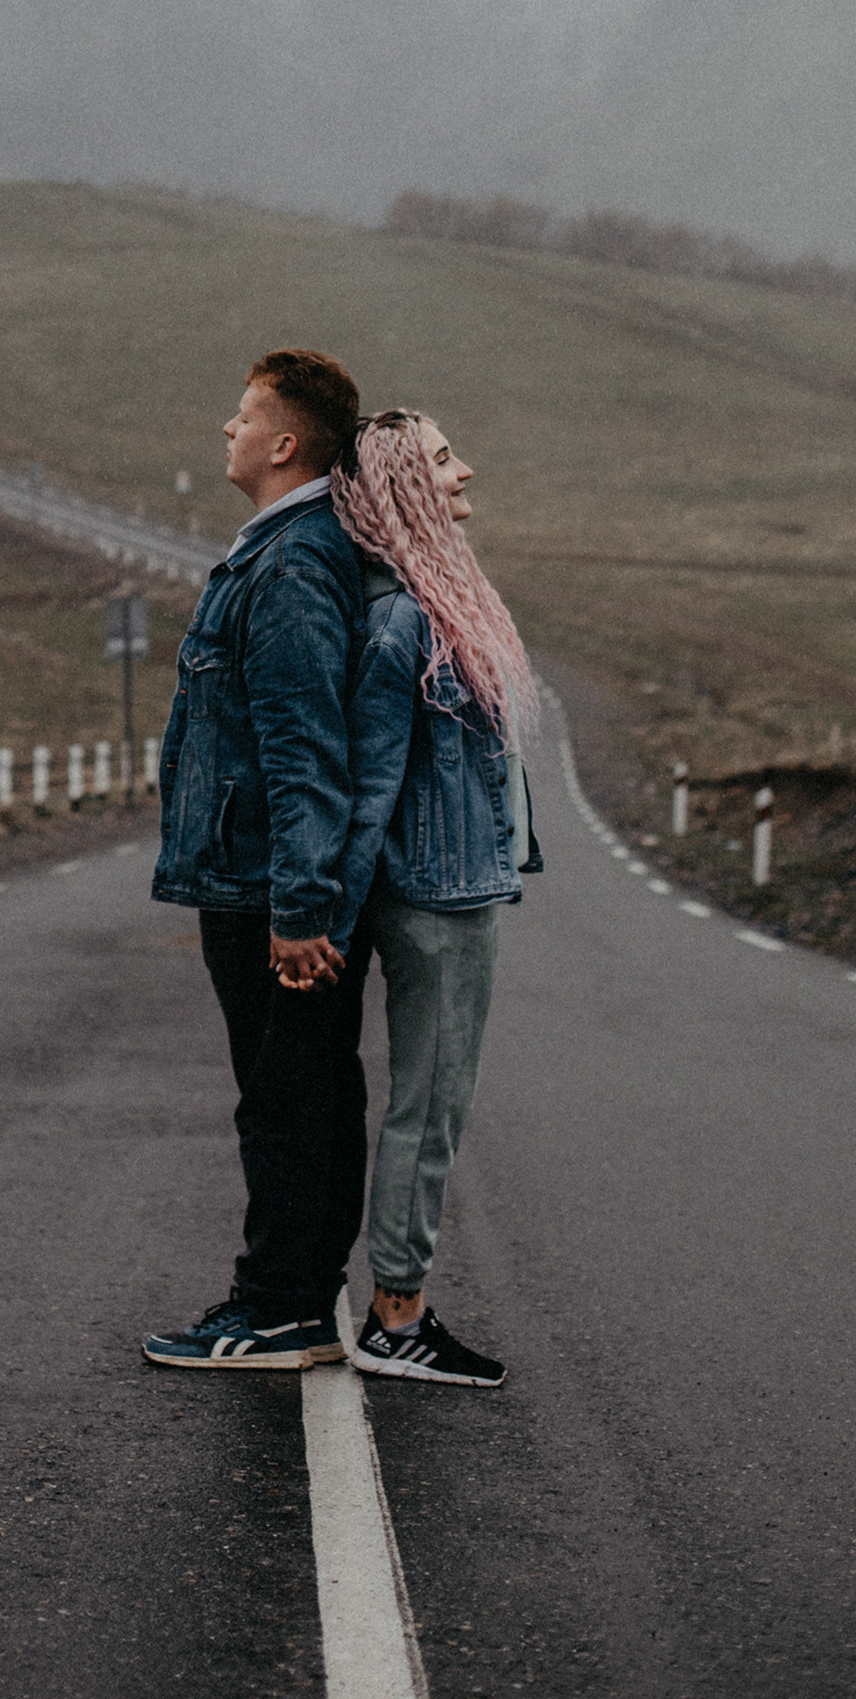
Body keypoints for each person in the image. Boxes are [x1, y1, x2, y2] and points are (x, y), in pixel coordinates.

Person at [142, 348, 371, 1369]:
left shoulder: (285, 566)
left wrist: (298, 907)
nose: (223, 432)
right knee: (301, 1089)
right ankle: (296, 1298)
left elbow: (303, 748)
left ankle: (277, 1305)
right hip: (259, 880)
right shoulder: (286, 550)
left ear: (284, 444)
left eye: (240, 418)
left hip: (264, 887)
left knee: (284, 1098)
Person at [326, 407, 543, 1387]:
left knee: (429, 1105)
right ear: (403, 487)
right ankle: (395, 1316)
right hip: (434, 901)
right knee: (431, 1107)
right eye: (443, 461)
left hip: (451, 886)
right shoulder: (401, 622)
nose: (465, 473)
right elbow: (368, 786)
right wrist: (320, 929)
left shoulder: (420, 602)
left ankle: (388, 1302)